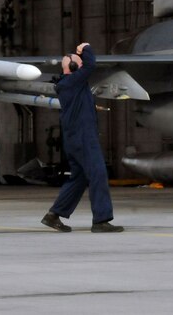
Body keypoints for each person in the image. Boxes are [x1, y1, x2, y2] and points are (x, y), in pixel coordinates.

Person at [41, 42, 123, 233]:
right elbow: (91, 65)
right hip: (83, 137)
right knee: (98, 173)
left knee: (79, 178)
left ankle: (54, 215)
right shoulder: (73, 82)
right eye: (79, 62)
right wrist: (85, 48)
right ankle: (101, 220)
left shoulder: (68, 84)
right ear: (74, 67)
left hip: (75, 138)